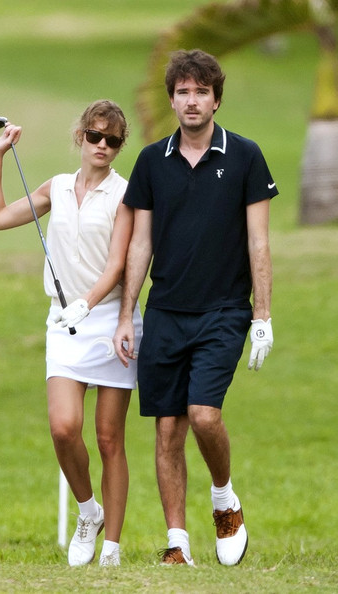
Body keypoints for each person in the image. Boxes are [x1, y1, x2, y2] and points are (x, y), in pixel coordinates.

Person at [113, 49, 277, 567]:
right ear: (171, 99)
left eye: (201, 92)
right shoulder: (150, 162)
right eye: (182, 91)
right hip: (165, 311)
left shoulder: (246, 156)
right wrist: (126, 314)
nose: (191, 100)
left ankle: (224, 499)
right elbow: (140, 244)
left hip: (224, 311)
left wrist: (262, 316)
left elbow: (258, 241)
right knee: (167, 430)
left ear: (216, 100)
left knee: (204, 416)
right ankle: (177, 544)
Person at [0, 100, 143, 567]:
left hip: (110, 321)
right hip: (63, 323)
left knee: (110, 439)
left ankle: (111, 550)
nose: (102, 145)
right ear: (80, 136)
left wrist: (87, 303)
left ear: (119, 146)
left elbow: (117, 265)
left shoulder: (124, 194)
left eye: (112, 140)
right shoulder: (56, 187)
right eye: (95, 135)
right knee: (63, 427)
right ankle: (88, 511)